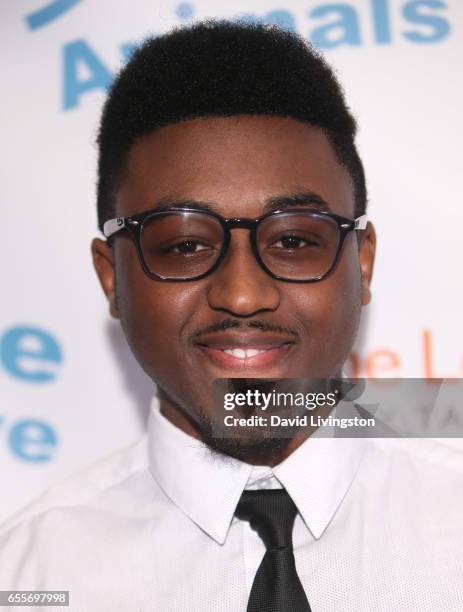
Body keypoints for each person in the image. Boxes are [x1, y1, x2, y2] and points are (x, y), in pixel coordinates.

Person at [1, 20, 462, 612]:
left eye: (295, 241)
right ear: (111, 278)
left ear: (362, 265)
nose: (242, 295)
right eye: (184, 245)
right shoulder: (30, 577)